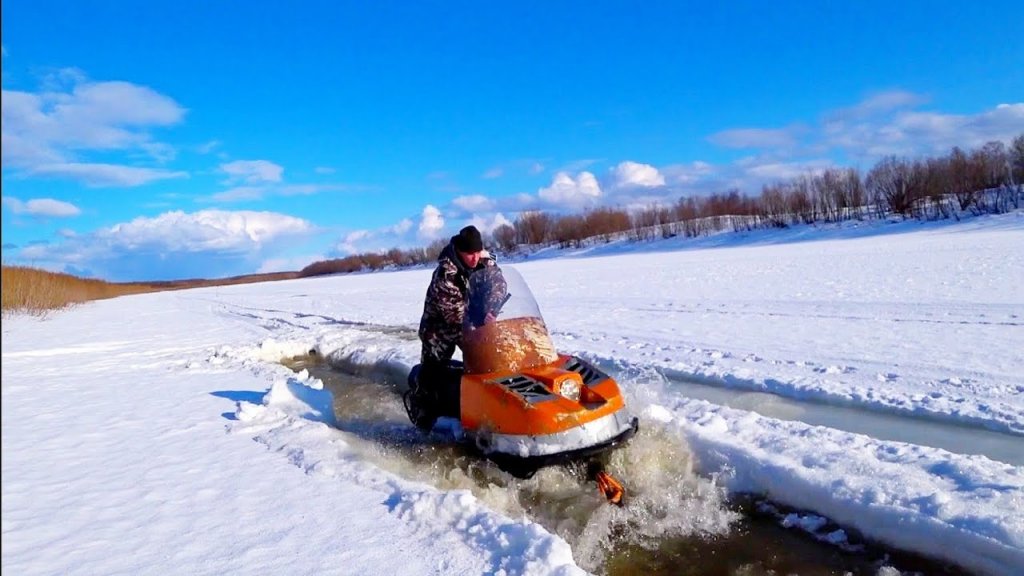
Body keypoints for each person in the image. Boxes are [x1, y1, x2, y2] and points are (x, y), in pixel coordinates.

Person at [409, 225, 498, 430]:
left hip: (475, 322)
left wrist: (493, 306)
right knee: (432, 374)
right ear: (459, 251)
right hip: (440, 329)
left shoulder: (483, 260)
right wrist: (482, 319)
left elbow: (499, 283)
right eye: (469, 254)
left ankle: (489, 406)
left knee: (492, 360)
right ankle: (425, 418)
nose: (475, 258)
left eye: (477, 252)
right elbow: (456, 315)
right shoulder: (445, 276)